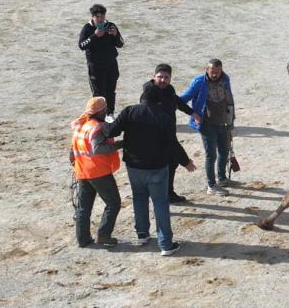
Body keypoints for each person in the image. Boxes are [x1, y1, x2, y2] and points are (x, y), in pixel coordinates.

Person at [105, 86, 181, 256]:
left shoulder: (129, 111)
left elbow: (112, 131)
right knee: (160, 203)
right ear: (158, 101)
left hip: (134, 166)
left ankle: (142, 234)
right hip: (157, 167)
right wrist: (184, 161)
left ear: (142, 98)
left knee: (139, 198)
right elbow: (172, 143)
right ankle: (165, 244)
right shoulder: (164, 116)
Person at [142, 64, 199, 203]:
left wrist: (192, 113)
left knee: (172, 163)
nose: (163, 80)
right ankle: (159, 195)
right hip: (156, 137)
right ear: (154, 77)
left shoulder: (169, 89)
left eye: (166, 77)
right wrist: (186, 162)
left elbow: (177, 101)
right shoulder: (149, 94)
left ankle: (168, 193)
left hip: (169, 133)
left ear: (170, 78)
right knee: (161, 166)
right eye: (160, 77)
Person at [70, 97, 122, 248]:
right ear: (101, 110)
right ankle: (104, 234)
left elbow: (72, 154)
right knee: (113, 203)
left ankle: (83, 239)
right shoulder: (97, 127)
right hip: (98, 171)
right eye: (105, 108)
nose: (106, 110)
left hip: (82, 172)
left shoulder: (80, 126)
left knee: (84, 207)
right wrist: (120, 144)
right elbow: (97, 149)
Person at [179, 59, 235, 196]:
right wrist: (169, 101)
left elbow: (229, 99)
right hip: (206, 123)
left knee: (224, 150)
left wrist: (231, 119)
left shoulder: (225, 78)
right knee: (211, 154)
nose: (215, 74)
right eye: (212, 72)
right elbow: (184, 99)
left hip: (223, 121)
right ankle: (211, 186)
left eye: (217, 72)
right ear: (207, 70)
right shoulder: (199, 81)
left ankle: (221, 178)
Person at [78, 4, 124, 120]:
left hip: (111, 65)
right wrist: (95, 36)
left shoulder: (110, 26)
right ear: (92, 17)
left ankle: (110, 113)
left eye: (102, 16)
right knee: (99, 94)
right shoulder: (87, 28)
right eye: (97, 17)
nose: (100, 19)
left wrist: (116, 35)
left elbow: (121, 44)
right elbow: (81, 45)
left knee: (111, 91)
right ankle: (98, 117)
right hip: (95, 67)